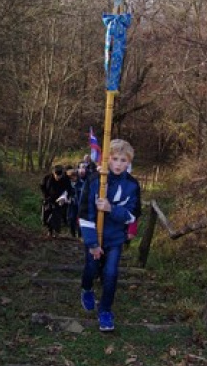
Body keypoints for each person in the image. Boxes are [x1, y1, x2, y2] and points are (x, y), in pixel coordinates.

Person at [78, 139, 140, 332]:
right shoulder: (95, 180)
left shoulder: (132, 185)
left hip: (115, 238)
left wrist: (111, 209)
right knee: (91, 267)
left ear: (129, 162)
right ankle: (87, 288)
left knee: (111, 273)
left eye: (123, 160)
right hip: (94, 236)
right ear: (107, 160)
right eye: (115, 159)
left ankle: (105, 310)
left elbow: (132, 215)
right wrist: (92, 243)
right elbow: (85, 213)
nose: (119, 164)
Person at [40, 164, 73, 238]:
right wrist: (46, 196)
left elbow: (69, 189)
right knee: (45, 217)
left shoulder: (65, 179)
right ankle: (50, 230)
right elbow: (42, 187)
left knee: (56, 217)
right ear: (53, 173)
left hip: (59, 201)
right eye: (56, 175)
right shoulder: (47, 178)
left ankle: (56, 231)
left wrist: (65, 197)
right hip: (48, 199)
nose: (58, 177)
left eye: (59, 176)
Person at [67, 162, 89, 238]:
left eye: (74, 177)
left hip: (80, 204)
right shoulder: (68, 184)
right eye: (71, 178)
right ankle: (72, 234)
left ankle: (80, 235)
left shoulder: (81, 183)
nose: (73, 179)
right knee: (71, 219)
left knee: (80, 220)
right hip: (72, 204)